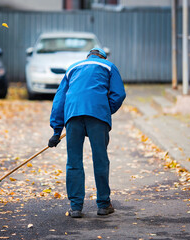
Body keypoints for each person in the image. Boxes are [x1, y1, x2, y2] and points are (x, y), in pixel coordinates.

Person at [48, 47, 126, 218]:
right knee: (100, 159)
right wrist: (104, 110)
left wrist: (56, 130)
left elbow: (60, 99)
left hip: (73, 114)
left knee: (74, 161)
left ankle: (76, 208)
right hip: (97, 115)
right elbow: (119, 94)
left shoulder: (73, 68)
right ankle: (104, 205)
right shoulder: (109, 66)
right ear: (102, 57)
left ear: (87, 57)